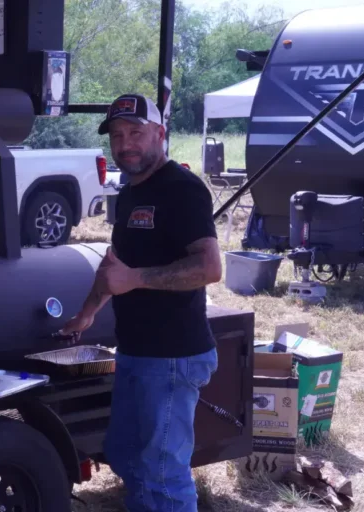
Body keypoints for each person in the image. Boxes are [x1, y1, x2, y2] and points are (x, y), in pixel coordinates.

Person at [60, 94, 222, 512]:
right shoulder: (131, 191)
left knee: (162, 473)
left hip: (172, 356)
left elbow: (208, 268)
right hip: (136, 351)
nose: (125, 142)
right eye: (117, 135)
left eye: (136, 132)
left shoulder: (181, 190)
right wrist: (88, 311)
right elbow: (115, 266)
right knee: (126, 454)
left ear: (160, 134)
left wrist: (134, 280)